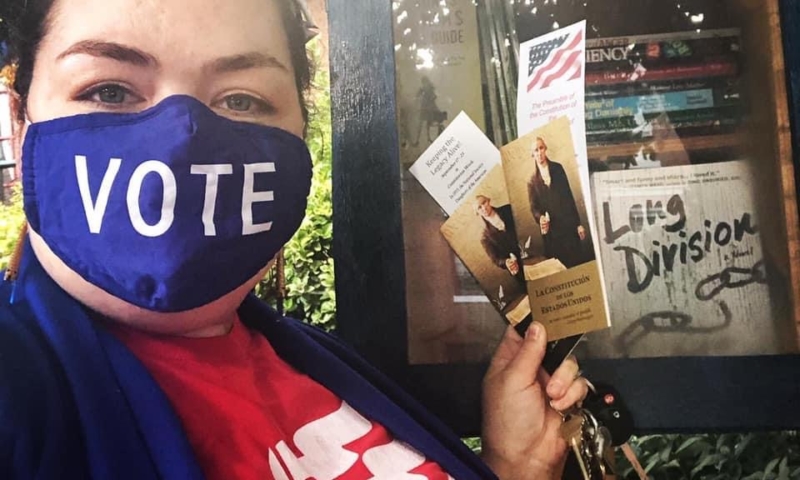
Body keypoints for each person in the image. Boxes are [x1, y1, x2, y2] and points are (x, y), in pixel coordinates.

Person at [0, 0, 589, 478]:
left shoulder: (309, 355)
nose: (179, 145)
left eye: (241, 99)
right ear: (20, 124)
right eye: (109, 91)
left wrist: (513, 467)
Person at [528, 137, 591, 269]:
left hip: (568, 226)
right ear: (532, 154)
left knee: (576, 263)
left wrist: (578, 224)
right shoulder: (532, 181)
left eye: (541, 148)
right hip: (552, 232)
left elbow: (568, 197)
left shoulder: (558, 168)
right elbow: (534, 208)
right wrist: (541, 219)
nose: (539, 152)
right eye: (536, 150)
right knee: (559, 268)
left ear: (545, 149)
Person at [475, 195, 524, 282]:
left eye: (484, 203)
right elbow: (496, 259)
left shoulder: (509, 209)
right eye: (479, 207)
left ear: (489, 200)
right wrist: (506, 262)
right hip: (517, 268)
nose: (483, 208)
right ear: (477, 213)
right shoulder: (485, 237)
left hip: (531, 252)